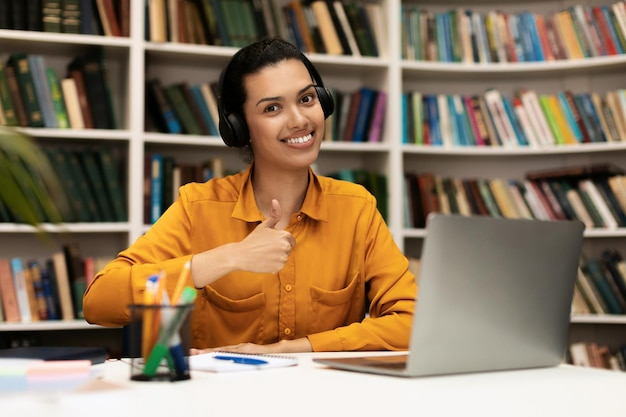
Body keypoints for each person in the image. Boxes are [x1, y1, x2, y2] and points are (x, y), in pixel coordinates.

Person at [83, 37, 416, 354]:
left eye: (306, 99)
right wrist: (228, 258)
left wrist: (293, 350)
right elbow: (99, 301)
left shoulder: (356, 208)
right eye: (272, 108)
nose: (300, 120)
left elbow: (411, 322)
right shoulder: (198, 207)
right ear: (239, 128)